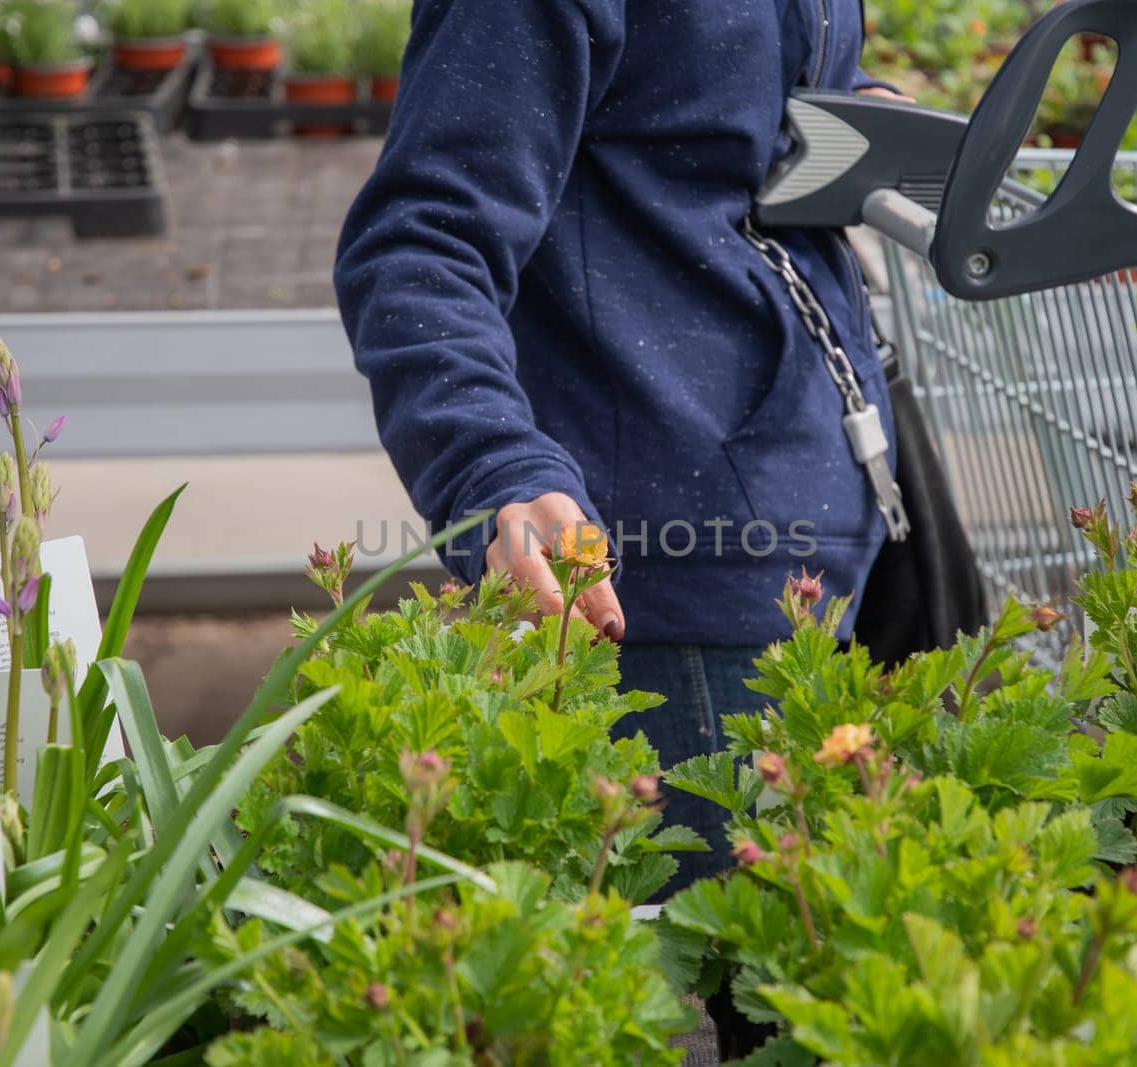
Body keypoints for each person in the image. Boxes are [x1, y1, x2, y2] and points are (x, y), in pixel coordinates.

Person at [335, 0, 900, 891]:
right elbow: (422, 245)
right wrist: (494, 467)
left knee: (780, 990)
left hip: (803, 541)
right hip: (665, 584)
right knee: (718, 990)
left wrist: (863, 109)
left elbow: (715, 110)